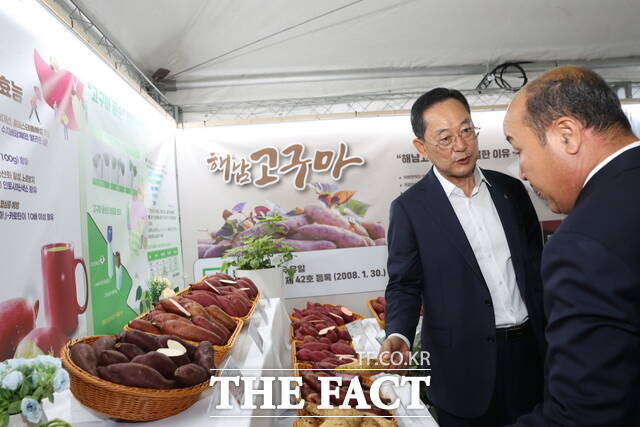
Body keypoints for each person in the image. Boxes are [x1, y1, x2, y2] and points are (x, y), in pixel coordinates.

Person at [379, 88, 546, 426]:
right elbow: (404, 284)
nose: (461, 145)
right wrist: (398, 334)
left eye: (466, 130)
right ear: (421, 147)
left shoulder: (511, 191)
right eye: (444, 138)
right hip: (462, 370)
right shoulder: (410, 209)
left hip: (531, 354)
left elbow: (537, 266)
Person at [504, 67, 640, 426]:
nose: (522, 171)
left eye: (519, 150)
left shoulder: (582, 243)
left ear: (566, 135)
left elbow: (586, 414)